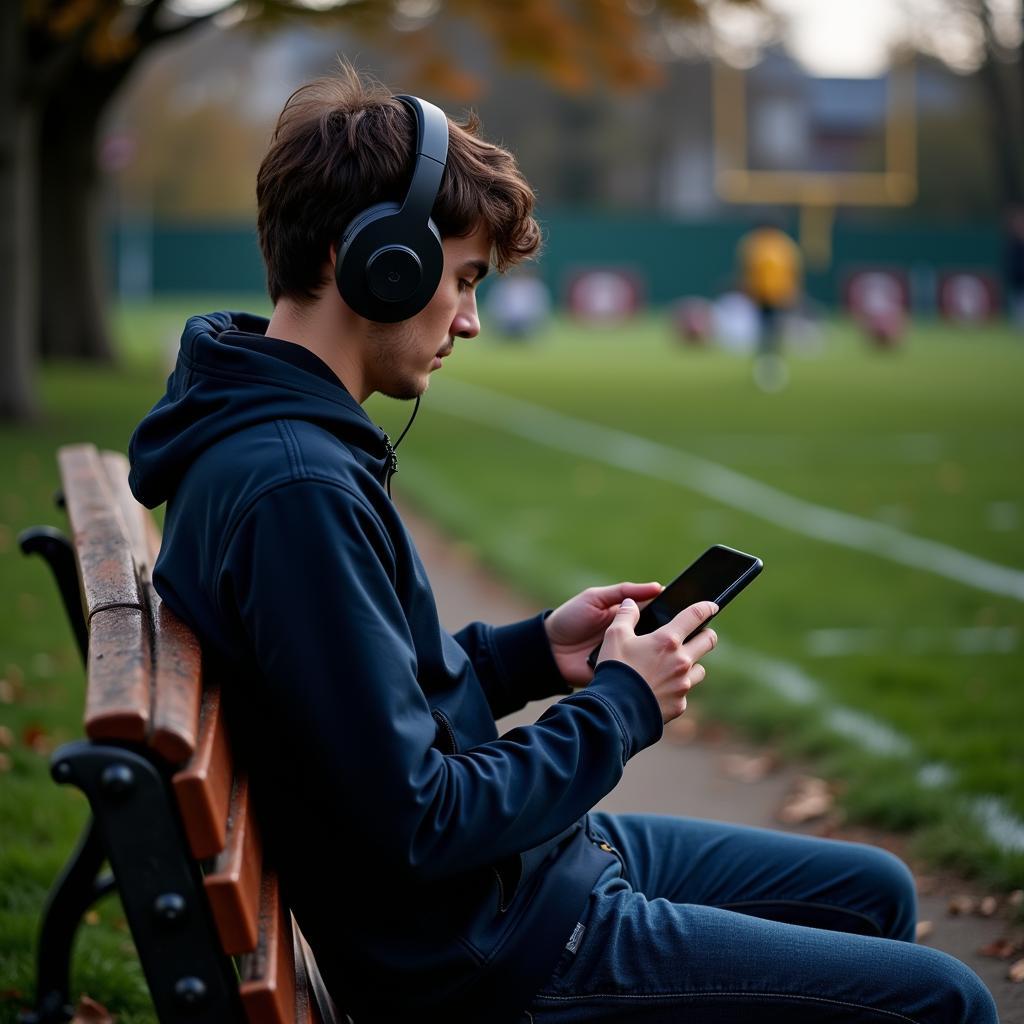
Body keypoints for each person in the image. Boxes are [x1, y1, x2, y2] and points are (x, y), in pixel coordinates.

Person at [128, 67, 997, 1023]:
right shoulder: (295, 488)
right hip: (499, 950)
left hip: (512, 884)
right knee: (946, 1000)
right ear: (373, 261)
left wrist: (532, 653)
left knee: (874, 888)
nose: (466, 319)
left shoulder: (278, 442)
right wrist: (625, 705)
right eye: (458, 279)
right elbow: (418, 816)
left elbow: (364, 711)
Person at [737, 220, 802, 391]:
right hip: (763, 296)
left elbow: (792, 271)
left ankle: (772, 363)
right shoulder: (757, 244)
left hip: (778, 296)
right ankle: (766, 364)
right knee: (766, 331)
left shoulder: (778, 244)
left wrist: (792, 293)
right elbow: (748, 270)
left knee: (774, 331)